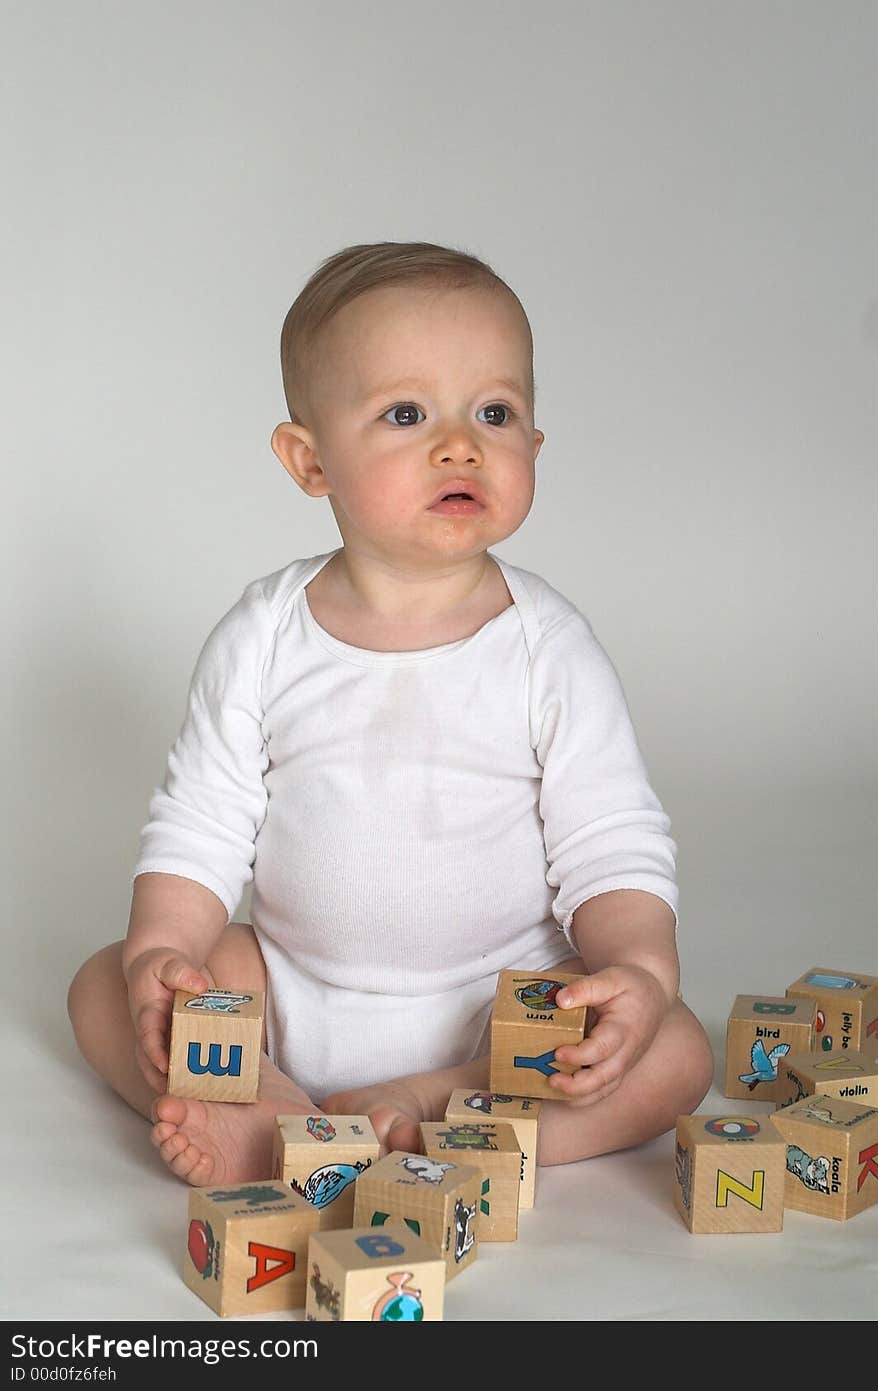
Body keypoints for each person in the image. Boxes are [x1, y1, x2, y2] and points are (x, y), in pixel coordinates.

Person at [68, 240, 714, 1186]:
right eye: (406, 413)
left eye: (495, 411)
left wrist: (641, 972)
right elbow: (200, 822)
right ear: (310, 459)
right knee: (102, 985)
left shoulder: (548, 648)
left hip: (495, 1019)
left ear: (534, 447)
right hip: (292, 988)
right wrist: (164, 953)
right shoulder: (264, 633)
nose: (460, 443)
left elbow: (611, 839)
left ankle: (439, 1114)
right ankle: (268, 1102)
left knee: (679, 1053)